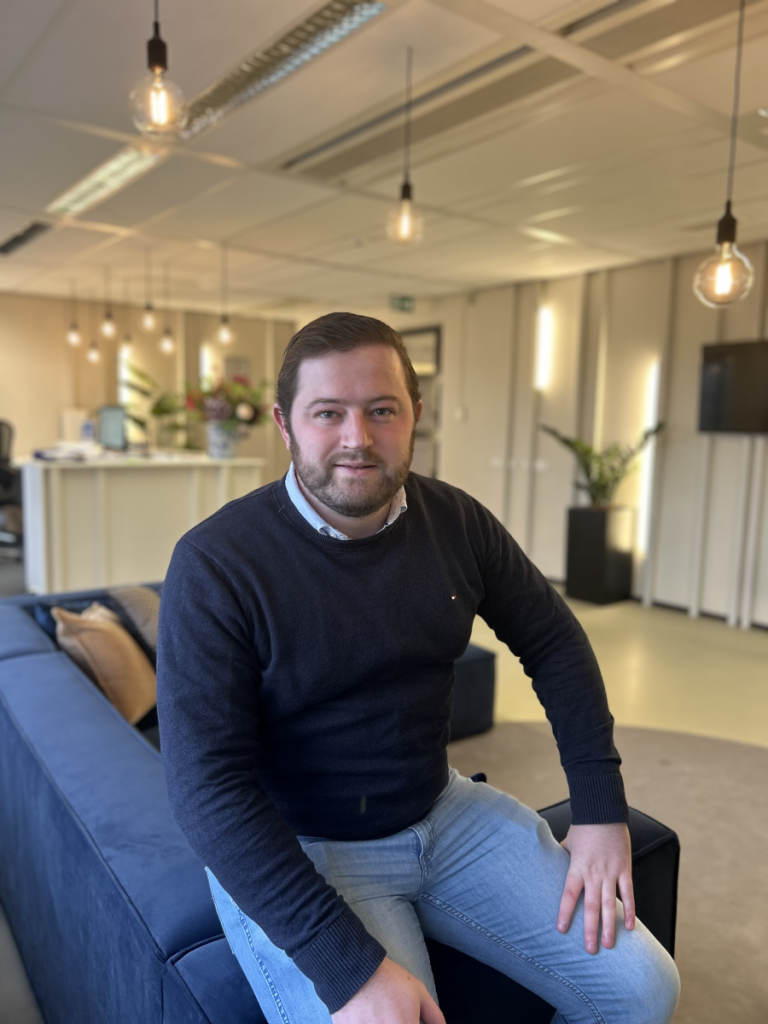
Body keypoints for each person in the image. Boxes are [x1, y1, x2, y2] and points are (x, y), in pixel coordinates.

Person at [157, 312, 680, 1024]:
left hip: (444, 814)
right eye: (327, 413)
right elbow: (206, 789)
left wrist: (599, 808)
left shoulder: (457, 522)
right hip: (305, 846)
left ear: (415, 417)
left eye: (382, 410)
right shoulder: (216, 563)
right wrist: (347, 967)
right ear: (284, 424)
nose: (357, 437)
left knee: (646, 990)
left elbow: (554, 642)